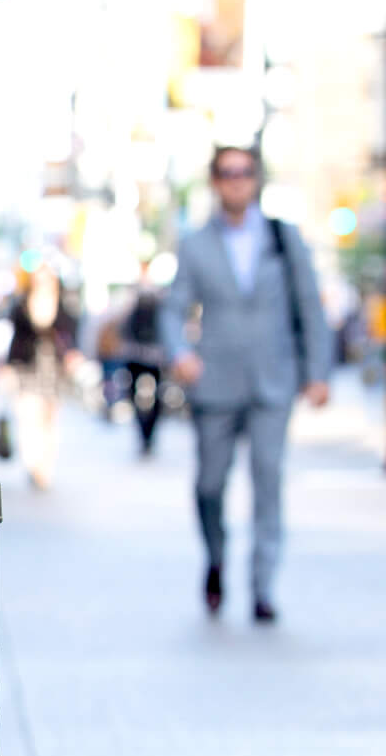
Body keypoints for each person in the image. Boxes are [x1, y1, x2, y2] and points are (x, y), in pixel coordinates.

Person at [161, 147, 330, 622]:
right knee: (210, 484)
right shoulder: (195, 243)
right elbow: (173, 309)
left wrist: (318, 372)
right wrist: (181, 353)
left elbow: (310, 305)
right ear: (214, 182)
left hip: (273, 382)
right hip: (214, 381)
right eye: (227, 173)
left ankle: (262, 586)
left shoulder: (283, 236)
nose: (237, 181)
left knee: (268, 482)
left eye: (245, 173)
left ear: (256, 179)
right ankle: (215, 559)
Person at [0, 263, 80, 490]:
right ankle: (32, 462)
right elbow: (14, 337)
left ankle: (45, 464)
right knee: (28, 416)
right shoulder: (22, 304)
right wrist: (8, 366)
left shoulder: (63, 305)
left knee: (49, 419)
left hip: (54, 370)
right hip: (28, 367)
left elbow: (71, 334)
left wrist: (73, 356)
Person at [102, 264, 169, 456]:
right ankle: (146, 433)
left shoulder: (138, 295)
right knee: (147, 394)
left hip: (140, 353)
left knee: (142, 394)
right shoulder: (156, 295)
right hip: (150, 353)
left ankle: (146, 432)